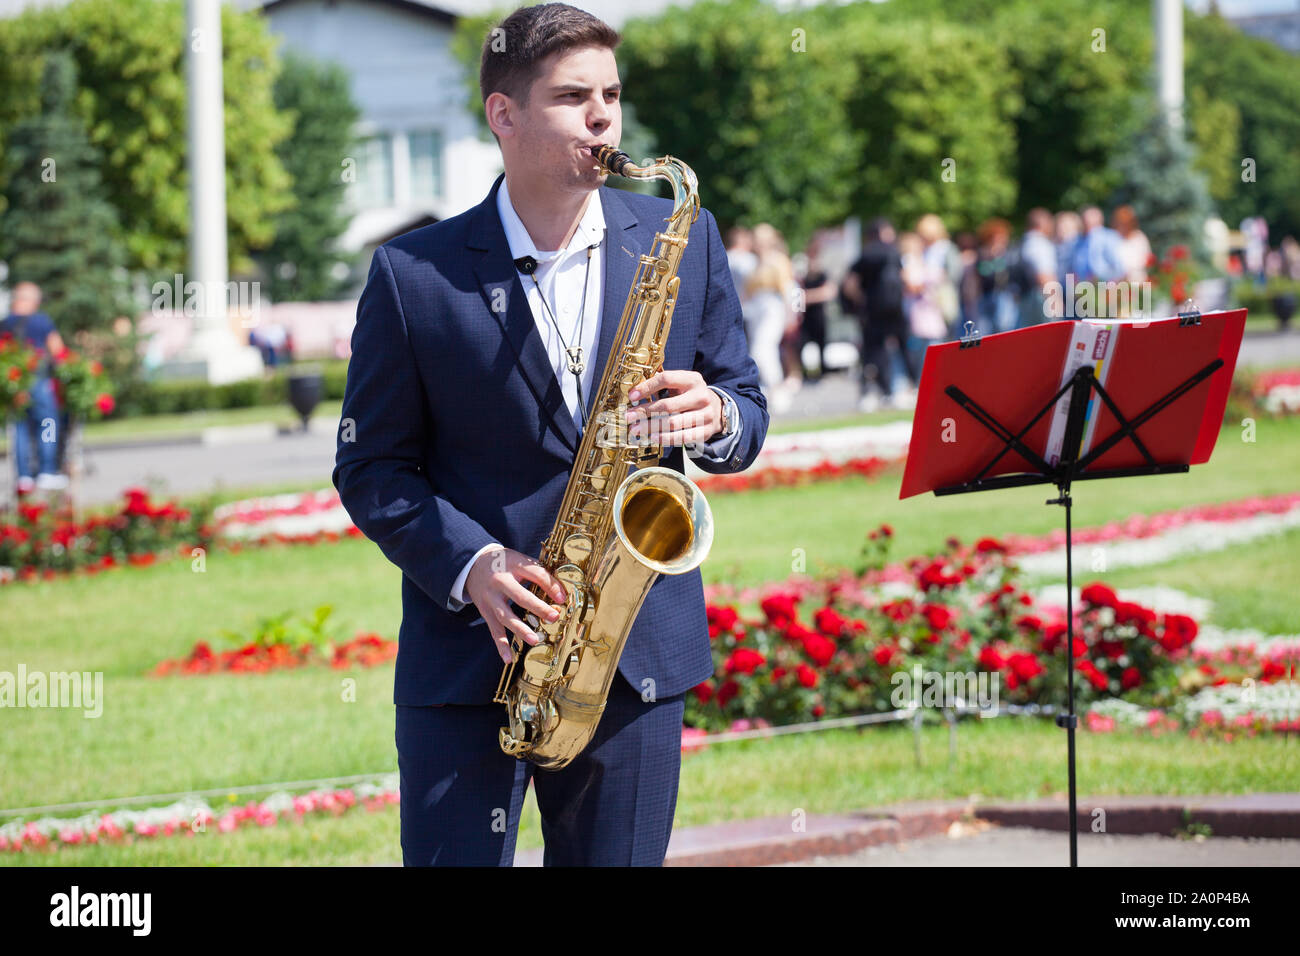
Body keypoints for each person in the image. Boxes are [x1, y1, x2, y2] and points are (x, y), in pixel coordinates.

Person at [331, 2, 767, 867]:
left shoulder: (684, 240)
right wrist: (472, 565)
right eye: (574, 96)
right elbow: (371, 465)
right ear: (505, 114)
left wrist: (716, 416)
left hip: (635, 661)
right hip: (468, 667)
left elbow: (746, 405)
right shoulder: (414, 274)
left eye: (610, 92)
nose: (604, 115)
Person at [843, 217, 916, 411]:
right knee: (905, 349)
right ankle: (912, 388)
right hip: (896, 308)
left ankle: (877, 392)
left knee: (874, 353)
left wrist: (863, 300)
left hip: (873, 311)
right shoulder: (895, 252)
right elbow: (906, 280)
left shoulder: (864, 255)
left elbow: (850, 285)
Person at [2, 282, 68, 493]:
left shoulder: (4, 324)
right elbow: (58, 351)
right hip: (38, 382)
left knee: (19, 429)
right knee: (48, 423)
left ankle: (24, 477)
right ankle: (46, 471)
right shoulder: (41, 322)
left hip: (13, 385)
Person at [745, 222, 796, 411]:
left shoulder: (778, 260)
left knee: (763, 349)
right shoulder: (756, 262)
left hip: (773, 308)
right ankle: (771, 389)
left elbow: (788, 289)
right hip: (756, 309)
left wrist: (791, 315)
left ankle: (777, 388)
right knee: (760, 351)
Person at [797, 231, 836, 382]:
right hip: (805, 315)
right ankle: (803, 372)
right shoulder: (802, 270)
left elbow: (828, 292)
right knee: (801, 344)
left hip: (819, 314)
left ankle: (822, 372)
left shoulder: (823, 271)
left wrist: (807, 297)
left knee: (821, 344)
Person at [1018, 207, 1058, 326]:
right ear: (1042, 223)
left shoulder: (1023, 242)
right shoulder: (1040, 243)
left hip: (1027, 296)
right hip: (1041, 295)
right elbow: (1043, 274)